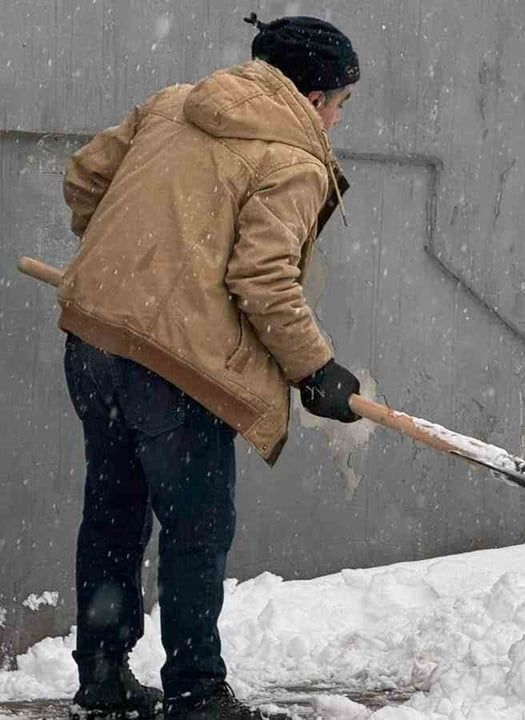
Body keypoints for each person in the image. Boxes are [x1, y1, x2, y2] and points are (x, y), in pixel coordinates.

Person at [58, 13, 362, 720]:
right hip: (177, 368)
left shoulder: (172, 103)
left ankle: (102, 676)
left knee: (113, 508)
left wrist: (127, 269)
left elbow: (84, 179)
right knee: (196, 527)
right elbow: (263, 278)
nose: (339, 120)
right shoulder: (292, 158)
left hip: (94, 341)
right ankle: (196, 690)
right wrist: (316, 369)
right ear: (314, 99)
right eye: (342, 103)